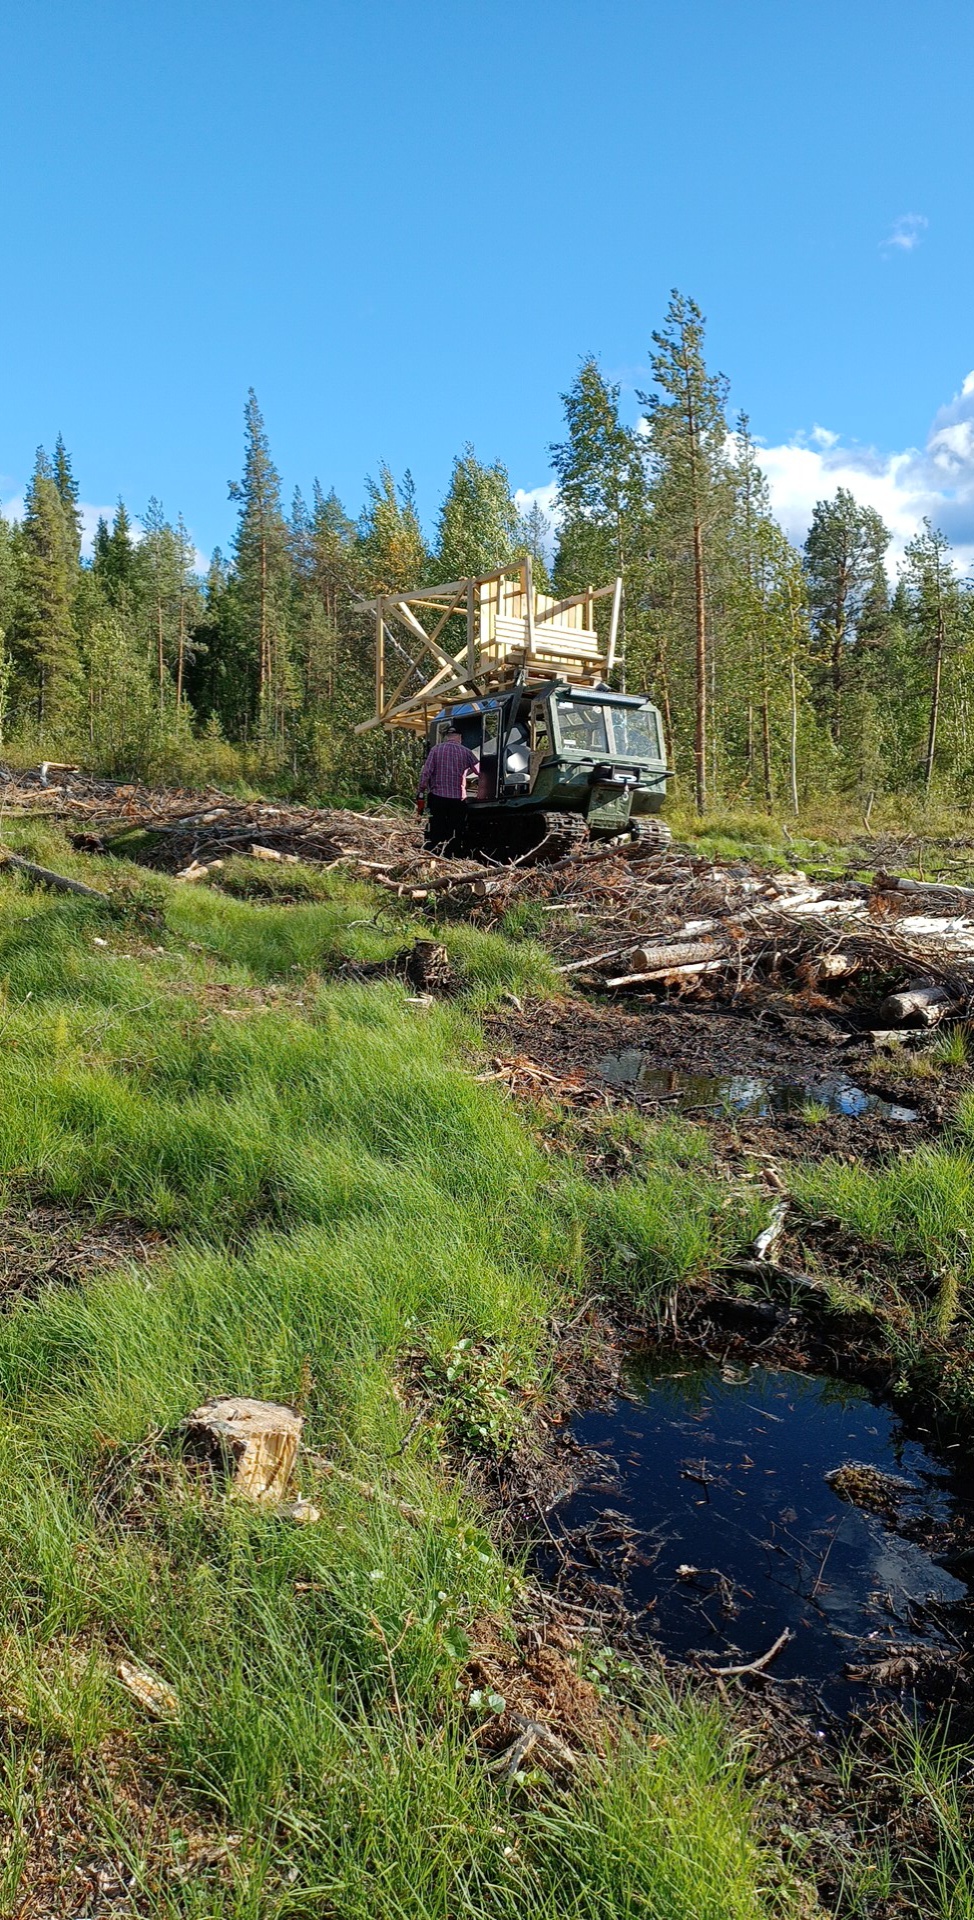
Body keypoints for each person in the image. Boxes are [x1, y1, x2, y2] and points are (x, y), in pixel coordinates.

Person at [416, 724, 478, 854]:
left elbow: (426, 772)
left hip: (438, 797)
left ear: (447, 737)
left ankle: (434, 854)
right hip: (457, 799)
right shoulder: (466, 752)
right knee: (455, 829)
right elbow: (480, 771)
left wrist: (421, 790)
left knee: (437, 827)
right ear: (459, 737)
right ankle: (452, 855)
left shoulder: (435, 750)